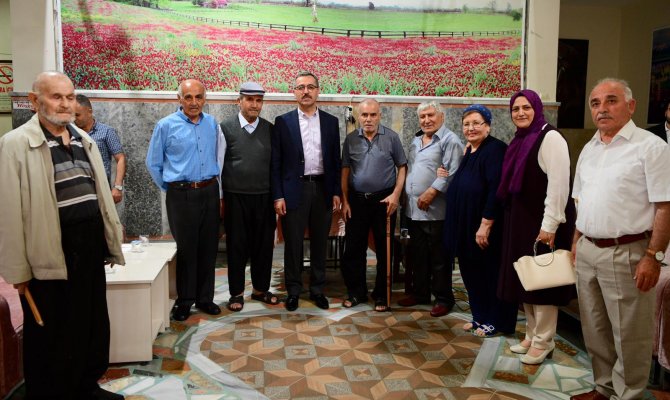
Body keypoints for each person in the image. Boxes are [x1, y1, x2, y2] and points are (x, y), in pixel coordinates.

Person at [0, 71, 125, 399]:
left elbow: (99, 194)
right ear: (34, 100)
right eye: (56, 97)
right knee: (51, 331)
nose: (65, 103)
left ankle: (86, 386)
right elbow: (8, 212)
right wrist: (17, 271)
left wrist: (110, 239)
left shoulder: (84, 139)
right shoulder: (15, 144)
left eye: (69, 97)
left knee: (90, 322)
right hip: (49, 250)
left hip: (89, 246)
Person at [570, 78, 670, 400]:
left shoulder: (651, 147)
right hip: (588, 250)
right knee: (595, 328)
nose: (602, 109)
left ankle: (628, 395)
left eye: (611, 100)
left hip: (627, 251)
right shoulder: (590, 148)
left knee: (629, 334)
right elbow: (580, 199)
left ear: (631, 105)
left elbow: (665, 206)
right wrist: (576, 242)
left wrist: (653, 257)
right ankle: (603, 388)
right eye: (595, 103)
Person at [496, 89, 576, 364]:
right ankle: (532, 334)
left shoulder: (550, 138)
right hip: (522, 221)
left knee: (544, 283)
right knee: (527, 279)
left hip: (543, 222)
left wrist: (550, 225)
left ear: (537, 109)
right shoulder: (521, 139)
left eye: (526, 107)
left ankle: (544, 341)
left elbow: (558, 185)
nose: (520, 113)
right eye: (515, 109)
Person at [146, 79, 225, 321]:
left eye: (199, 97)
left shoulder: (211, 123)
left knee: (208, 248)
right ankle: (185, 300)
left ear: (205, 99)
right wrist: (174, 188)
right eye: (188, 97)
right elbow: (153, 163)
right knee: (187, 249)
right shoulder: (165, 125)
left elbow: (217, 157)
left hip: (209, 191)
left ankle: (205, 298)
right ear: (179, 98)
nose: (194, 102)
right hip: (181, 195)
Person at [442, 104, 518, 336]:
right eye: (466, 124)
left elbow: (496, 189)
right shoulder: (471, 150)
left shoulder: (495, 149)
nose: (471, 128)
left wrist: (486, 224)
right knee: (471, 273)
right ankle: (479, 316)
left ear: (488, 126)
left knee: (489, 274)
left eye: (476, 123)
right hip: (465, 227)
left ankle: (496, 320)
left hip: (483, 227)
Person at [271, 72, 342, 312]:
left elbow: (335, 160)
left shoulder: (331, 122)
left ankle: (317, 289)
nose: (306, 91)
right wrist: (278, 195)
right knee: (293, 243)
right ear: (294, 92)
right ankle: (293, 290)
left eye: (310, 87)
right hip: (294, 189)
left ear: (317, 91)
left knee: (320, 242)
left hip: (322, 188)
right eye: (301, 87)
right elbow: (276, 162)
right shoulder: (283, 122)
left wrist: (336, 191)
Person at [340, 98, 408, 312]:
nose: (368, 119)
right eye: (364, 115)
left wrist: (396, 195)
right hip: (357, 201)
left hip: (384, 201)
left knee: (384, 249)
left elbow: (402, 167)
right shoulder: (351, 139)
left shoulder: (392, 138)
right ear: (359, 116)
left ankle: (381, 294)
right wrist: (345, 200)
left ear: (380, 115)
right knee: (354, 249)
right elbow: (345, 171)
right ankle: (356, 292)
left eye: (373, 115)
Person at [397, 100, 463, 317]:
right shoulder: (416, 140)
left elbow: (453, 171)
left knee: (439, 259)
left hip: (436, 211)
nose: (426, 120)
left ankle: (444, 299)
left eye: (430, 115)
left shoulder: (450, 140)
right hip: (413, 210)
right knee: (418, 256)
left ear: (441, 116)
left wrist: (432, 191)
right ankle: (420, 293)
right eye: (422, 116)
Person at [220, 82, 278, 312]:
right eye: (250, 99)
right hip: (235, 197)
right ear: (239, 101)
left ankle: (260, 290)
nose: (255, 105)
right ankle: (236, 293)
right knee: (237, 246)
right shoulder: (225, 128)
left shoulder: (270, 129)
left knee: (263, 246)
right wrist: (220, 198)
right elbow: (218, 164)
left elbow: (275, 166)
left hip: (264, 197)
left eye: (259, 100)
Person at [74, 94, 127, 203]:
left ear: (89, 112)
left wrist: (117, 187)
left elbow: (120, 158)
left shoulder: (106, 132)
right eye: (71, 115)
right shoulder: (69, 132)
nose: (74, 119)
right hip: (76, 190)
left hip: (100, 189)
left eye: (77, 115)